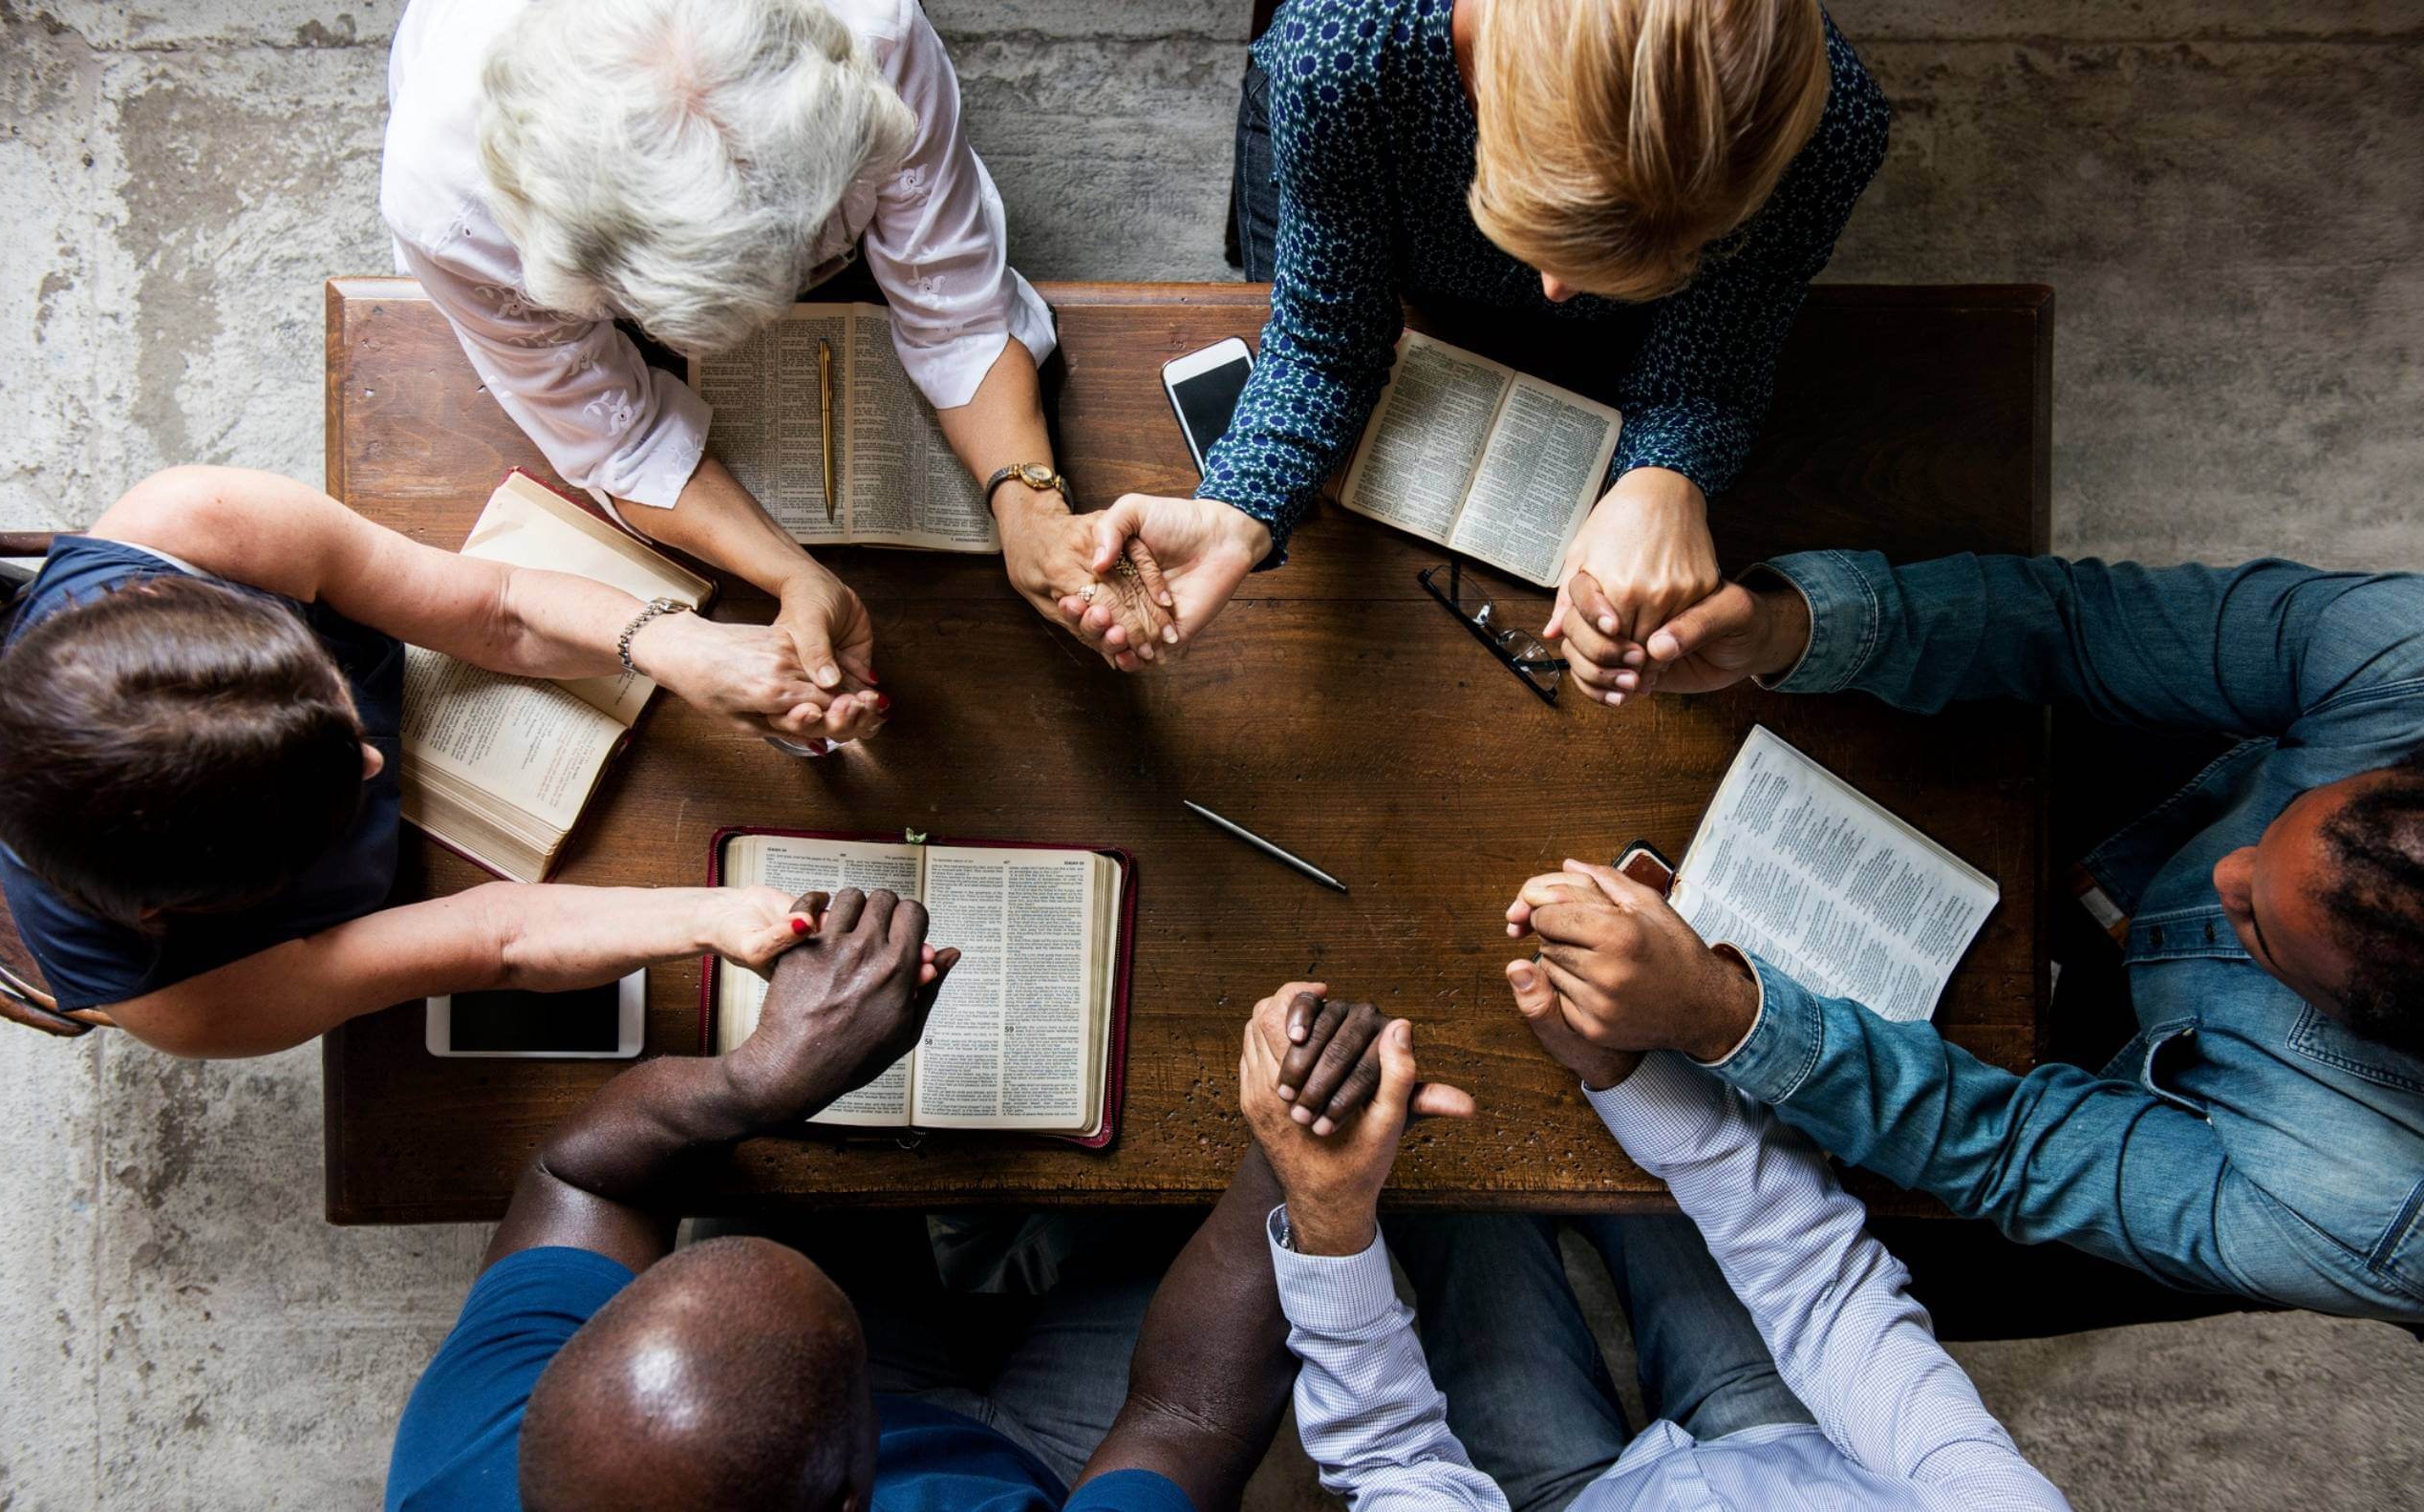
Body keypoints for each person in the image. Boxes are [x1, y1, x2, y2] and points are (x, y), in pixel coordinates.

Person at [1509, 550, 2424, 1322]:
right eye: (2282, 818)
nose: (2228, 873)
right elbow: (2079, 621)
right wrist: (1789, 625)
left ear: (2359, 1022)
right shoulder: (2406, 663)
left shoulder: (2366, 1210)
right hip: (2161, 805)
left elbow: (2010, 1150)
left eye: (2259, 925)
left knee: (1882, 1263)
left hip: (2207, 1132)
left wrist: (1720, 1014)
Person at [388, 886, 1300, 1512]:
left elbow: (579, 1178)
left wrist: (758, 1081)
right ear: (853, 1497)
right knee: (1193, 1205)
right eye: (859, 1382)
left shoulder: (468, 1459)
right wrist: (1294, 1154)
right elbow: (1185, 1417)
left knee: (791, 1166)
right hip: (1060, 1465)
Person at [1073, 0, 1888, 689]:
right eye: (1544, 229)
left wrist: (1666, 475)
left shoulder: (1833, 126)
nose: (1556, 295)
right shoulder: (1342, 50)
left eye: (1659, 256)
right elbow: (1327, 339)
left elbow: (1722, 348)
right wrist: (1237, 508)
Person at [381, 0, 1168, 697]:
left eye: (826, 245)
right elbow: (620, 439)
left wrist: (1030, 507)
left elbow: (955, 306)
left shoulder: (873, 31)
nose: (807, 282)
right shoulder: (446, 206)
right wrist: (793, 575)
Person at [0, 467, 851, 1058]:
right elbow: (496, 940)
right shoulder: (186, 999)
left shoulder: (188, 528)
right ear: (181, 905)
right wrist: (717, 917)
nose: (368, 757)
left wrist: (671, 643)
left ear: (181, 599)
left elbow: (499, 607)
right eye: (323, 804)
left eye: (329, 697)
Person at [1240, 976, 2069, 1511]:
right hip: (1789, 1435)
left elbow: (1394, 1459)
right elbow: (1831, 1296)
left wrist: (1331, 1216)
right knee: (1635, 1112)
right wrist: (1627, 1071)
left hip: (1556, 1498)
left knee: (1441, 1162)